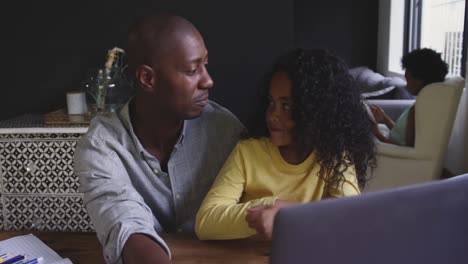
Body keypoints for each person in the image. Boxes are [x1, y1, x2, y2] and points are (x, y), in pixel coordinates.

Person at [73, 14, 243, 264]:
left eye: (205, 66)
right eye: (193, 70)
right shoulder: (102, 146)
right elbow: (125, 223)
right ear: (147, 79)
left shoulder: (225, 130)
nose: (208, 80)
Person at [195, 49, 376, 240]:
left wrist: (288, 213)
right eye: (271, 103)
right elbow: (206, 221)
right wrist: (270, 205)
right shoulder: (248, 153)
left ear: (317, 113)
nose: (273, 115)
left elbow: (351, 222)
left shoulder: (335, 156)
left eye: (286, 106)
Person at [370, 48, 448, 146]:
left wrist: (376, 133)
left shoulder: (418, 110)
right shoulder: (429, 103)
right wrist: (384, 118)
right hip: (393, 146)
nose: (406, 86)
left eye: (408, 79)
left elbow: (406, 149)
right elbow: (400, 135)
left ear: (419, 80)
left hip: (392, 155)